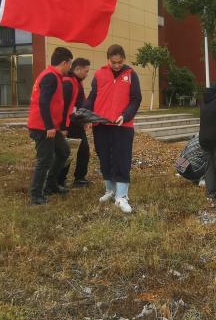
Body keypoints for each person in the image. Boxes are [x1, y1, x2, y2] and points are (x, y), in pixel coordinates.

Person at [86, 44, 142, 214]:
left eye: (120, 62)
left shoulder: (131, 74)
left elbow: (136, 99)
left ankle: (122, 196)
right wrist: (85, 114)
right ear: (108, 60)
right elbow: (92, 97)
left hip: (122, 125)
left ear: (124, 59)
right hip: (101, 124)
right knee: (104, 158)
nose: (117, 65)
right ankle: (110, 190)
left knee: (122, 159)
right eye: (113, 62)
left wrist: (126, 115)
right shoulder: (99, 74)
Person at [26, 47, 75, 205]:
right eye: (70, 64)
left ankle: (51, 185)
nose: (70, 67)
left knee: (63, 151)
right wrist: (49, 126)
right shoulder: (50, 77)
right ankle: (36, 196)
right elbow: (43, 102)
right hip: (43, 127)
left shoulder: (54, 76)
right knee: (45, 160)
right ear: (64, 63)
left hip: (51, 126)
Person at [59, 57, 92, 189]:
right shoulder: (68, 82)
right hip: (69, 124)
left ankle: (79, 178)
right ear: (77, 69)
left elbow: (80, 103)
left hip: (77, 122)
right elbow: (64, 106)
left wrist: (85, 119)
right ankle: (60, 179)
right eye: (86, 71)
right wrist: (63, 127)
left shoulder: (77, 82)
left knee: (83, 150)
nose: (87, 74)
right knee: (68, 152)